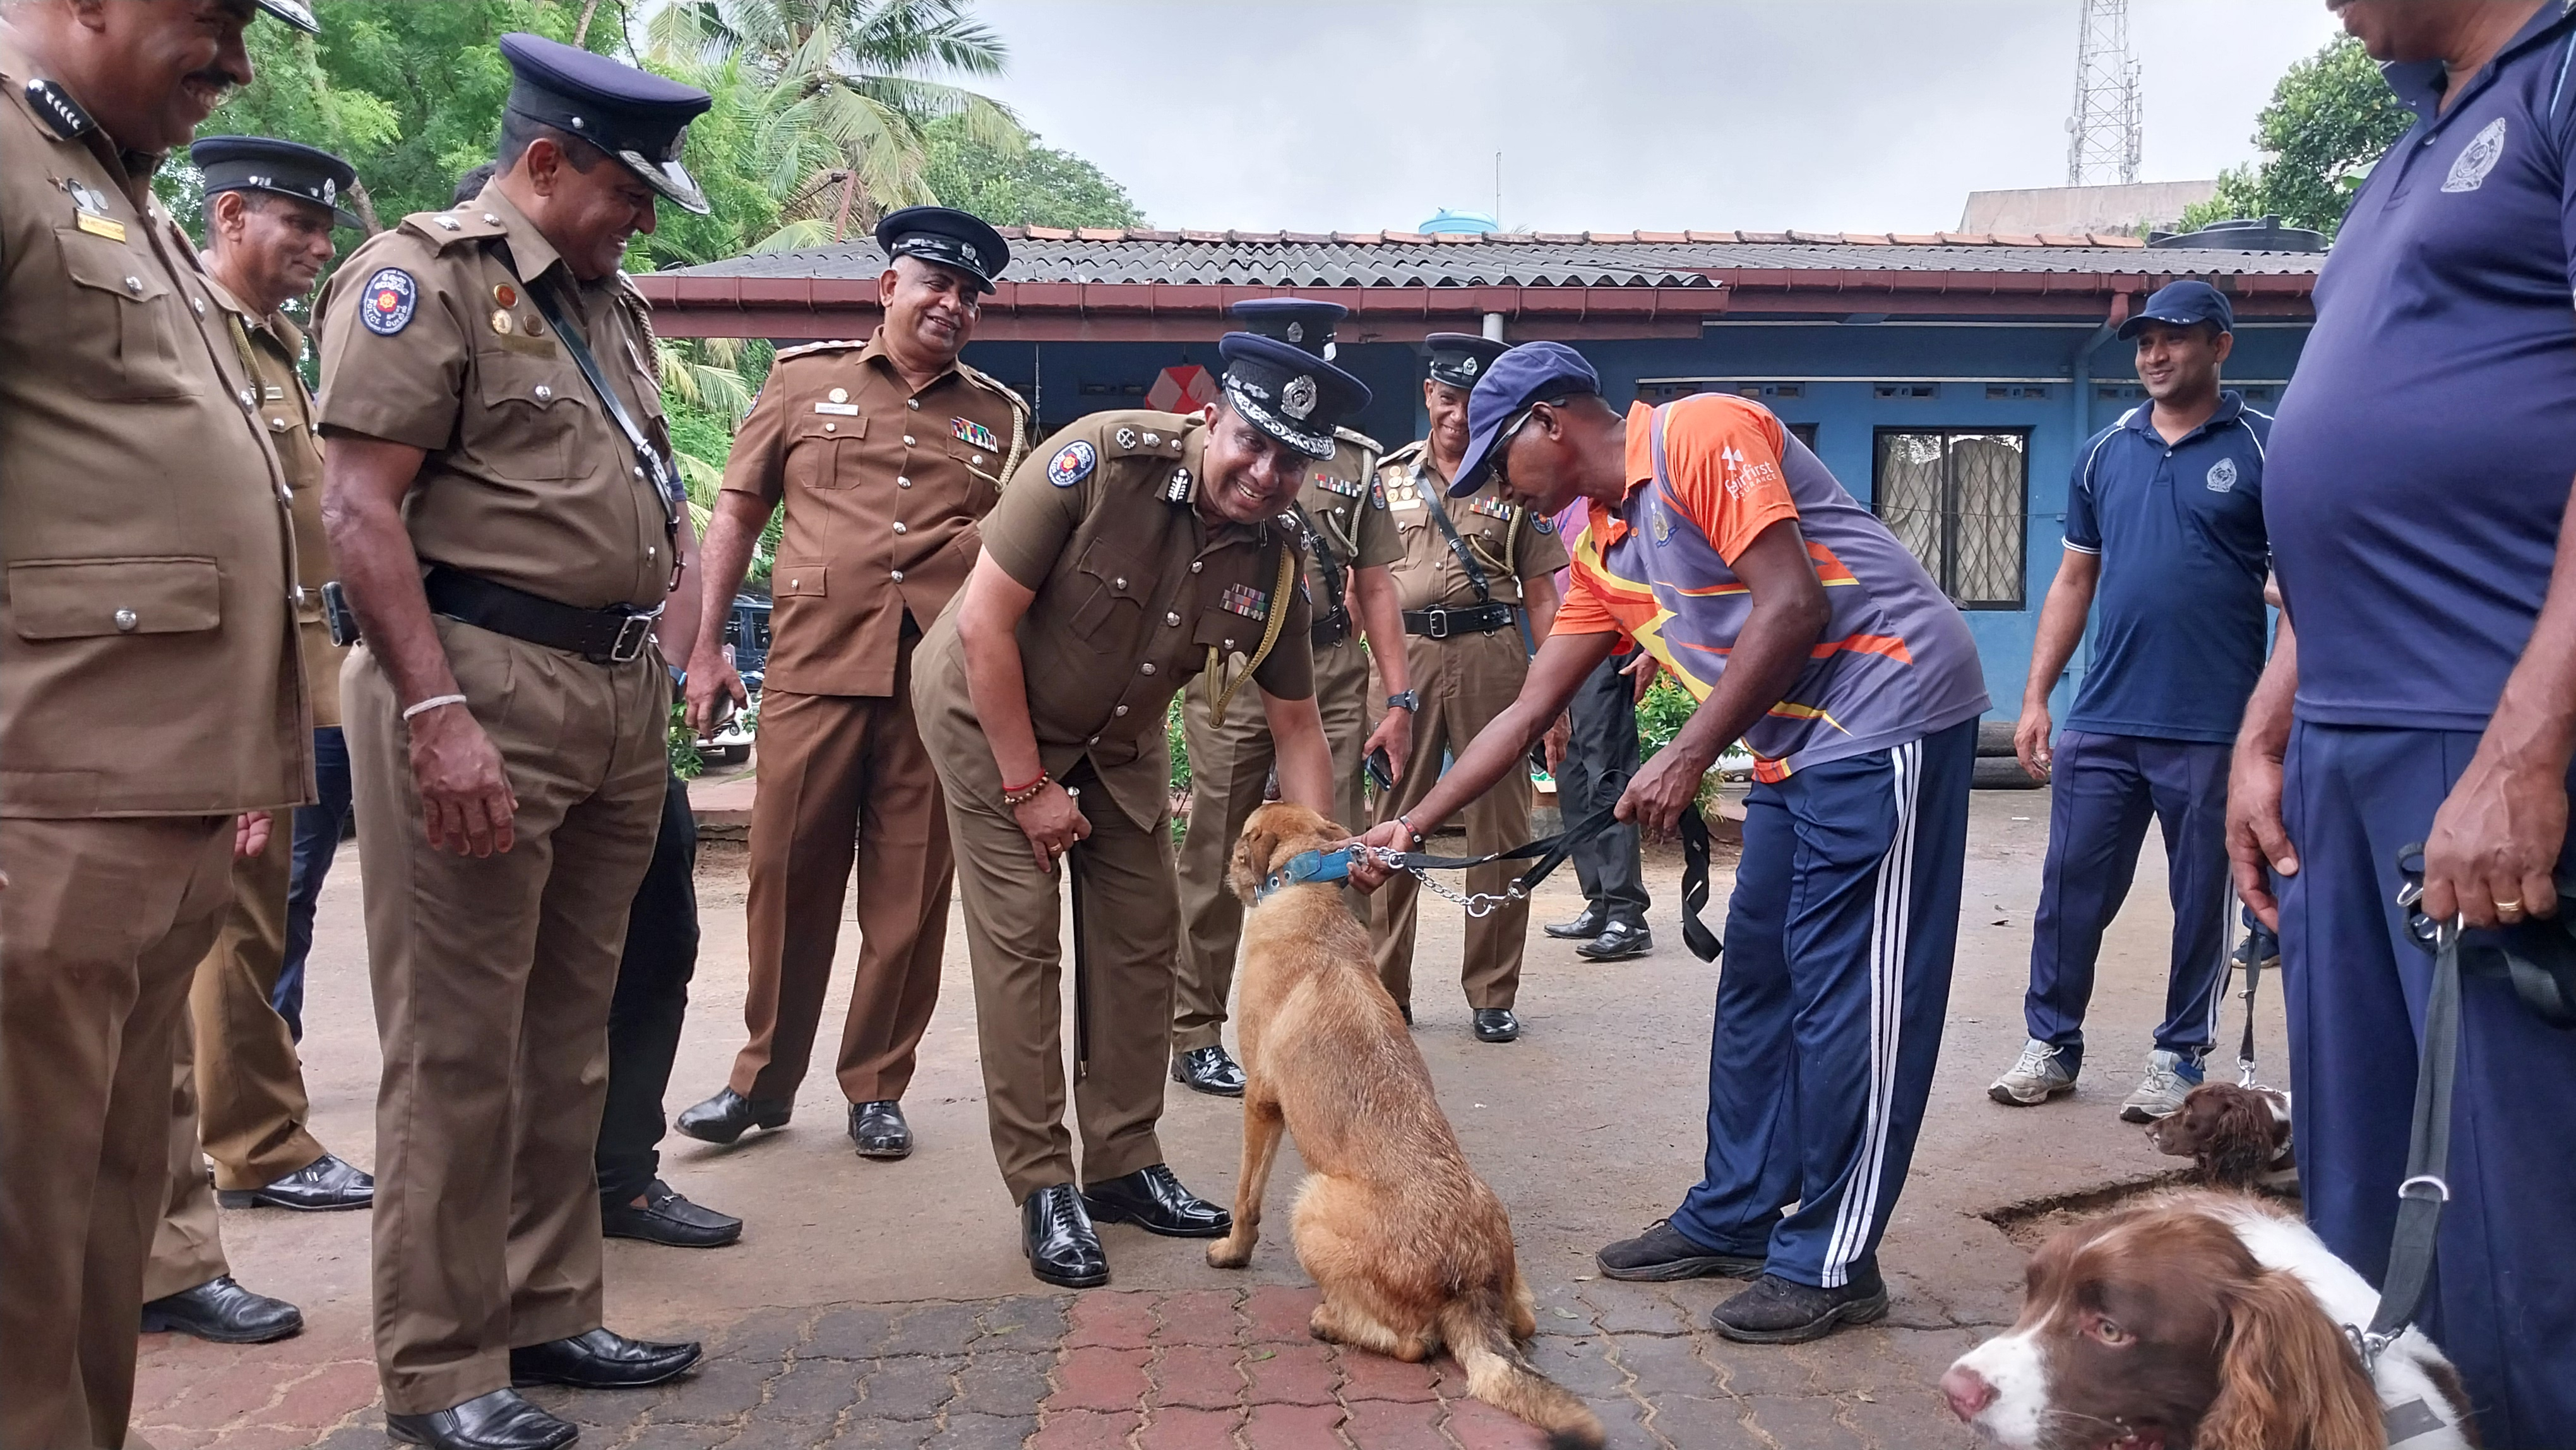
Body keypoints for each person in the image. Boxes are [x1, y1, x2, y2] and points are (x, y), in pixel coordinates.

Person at [1352, 342, 1988, 1345]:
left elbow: (1794, 604)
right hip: (1794, 747)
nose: (1494, 494)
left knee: (1852, 999)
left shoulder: (1699, 432)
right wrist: (1412, 825)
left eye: (1496, 467)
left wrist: (1687, 756)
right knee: (1759, 985)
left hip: (1889, 714)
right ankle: (1738, 1212)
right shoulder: (1604, 548)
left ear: (1550, 425)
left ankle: (1833, 1256)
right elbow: (1525, 713)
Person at [318, 33, 712, 1450]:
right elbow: (359, 508)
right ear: (544, 162)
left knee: (571, 1029)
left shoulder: (605, 301)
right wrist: (433, 712)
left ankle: (549, 1303)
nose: (644, 217)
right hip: (475, 683)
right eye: (625, 188)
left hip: (607, 697)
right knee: (457, 1043)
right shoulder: (419, 281)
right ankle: (438, 1365)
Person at [2229, 2, 2576, 1440]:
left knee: (2510, 1236)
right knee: (2369, 1221)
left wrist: (2524, 748)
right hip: (2341, 754)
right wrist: (2265, 729)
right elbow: (2342, 478)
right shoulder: (2402, 151)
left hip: (2475, 726)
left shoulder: (2557, 83)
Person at [0, 1, 320, 1443]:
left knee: (95, 1240)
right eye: (213, 19)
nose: (236, 62)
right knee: (17, 1261)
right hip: (38, 816)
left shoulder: (104, 179)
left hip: (150, 814)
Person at [912, 332, 1363, 1288]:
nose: (1266, 473)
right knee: (1024, 944)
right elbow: (986, 621)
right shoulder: (1100, 461)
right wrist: (1029, 788)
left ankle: (1121, 1163)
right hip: (988, 712)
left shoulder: (1279, 561)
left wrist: (1319, 872)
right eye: (1252, 442)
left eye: (1293, 461)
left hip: (1116, 744)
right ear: (1211, 420)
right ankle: (1043, 1183)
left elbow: (1297, 727)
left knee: (1139, 934)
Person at [675, 205, 1030, 1161]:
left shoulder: (999, 417)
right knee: (784, 878)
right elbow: (737, 515)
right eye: (935, 285)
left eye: (969, 295)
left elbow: (1015, 561)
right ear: (889, 288)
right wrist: (706, 649)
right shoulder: (802, 381)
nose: (952, 304)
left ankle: (877, 1086)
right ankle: (760, 1083)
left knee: (909, 896)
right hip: (812, 670)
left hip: (932, 686)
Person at [133, 134, 382, 1351]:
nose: (318, 250)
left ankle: (236, 1164)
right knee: (210, 947)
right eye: (298, 227)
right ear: (230, 217)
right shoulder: (183, 332)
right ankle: (238, 1168)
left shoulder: (274, 347)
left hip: (296, 686)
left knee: (255, 927)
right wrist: (227, 733)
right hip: (200, 701)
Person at [1989, 280, 2271, 1122]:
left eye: (2174, 338)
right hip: (2106, 719)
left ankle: (2180, 1054)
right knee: (2070, 889)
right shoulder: (2101, 452)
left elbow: (2299, 578)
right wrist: (2037, 696)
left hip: (2215, 723)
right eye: (2144, 340)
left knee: (2201, 900)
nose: (2154, 354)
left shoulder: (2265, 448)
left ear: (2220, 345)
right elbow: (2076, 578)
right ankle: (2052, 1042)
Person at [1166, 297, 1414, 1096]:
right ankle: (1194, 1027)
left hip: (1331, 672)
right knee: (1215, 851)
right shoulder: (1207, 445)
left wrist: (1398, 697)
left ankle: (1335, 1018)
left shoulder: (1355, 461)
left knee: (1330, 850)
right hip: (1231, 669)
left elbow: (1376, 585)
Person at [1369, 333, 1567, 1041]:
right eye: (1448, 399)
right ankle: (1387, 992)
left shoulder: (1513, 480)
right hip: (1405, 664)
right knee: (1394, 819)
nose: (1458, 417)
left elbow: (1543, 596)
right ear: (1428, 395)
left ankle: (1492, 992)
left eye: (1474, 403)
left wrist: (1554, 698)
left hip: (1493, 657)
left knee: (1501, 826)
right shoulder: (1385, 477)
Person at [1542, 482, 1656, 963]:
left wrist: (1652, 646)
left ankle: (1627, 914)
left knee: (1606, 776)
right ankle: (1599, 900)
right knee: (1568, 775)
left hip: (1608, 650)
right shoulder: (1548, 506)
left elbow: (1658, 572)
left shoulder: (1616, 505)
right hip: (1557, 650)